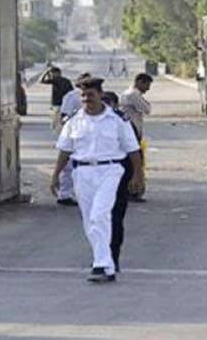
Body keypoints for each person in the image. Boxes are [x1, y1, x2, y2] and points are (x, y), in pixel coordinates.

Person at [51, 77, 144, 283]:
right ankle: (107, 265)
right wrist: (55, 175)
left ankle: (100, 264)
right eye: (83, 96)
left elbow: (133, 150)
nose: (87, 99)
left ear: (100, 95)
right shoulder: (74, 120)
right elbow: (65, 150)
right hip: (83, 173)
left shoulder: (118, 120)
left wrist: (138, 176)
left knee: (99, 215)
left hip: (110, 170)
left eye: (90, 95)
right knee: (89, 220)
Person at [102, 91, 140, 273]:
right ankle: (100, 256)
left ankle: (112, 256)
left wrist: (136, 177)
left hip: (118, 176)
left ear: (115, 105)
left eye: (107, 104)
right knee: (97, 220)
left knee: (115, 218)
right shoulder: (85, 120)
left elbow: (134, 151)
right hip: (93, 178)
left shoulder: (122, 122)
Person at [56, 72, 91, 206]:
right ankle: (65, 194)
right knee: (69, 166)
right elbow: (65, 116)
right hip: (75, 134)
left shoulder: (93, 95)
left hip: (88, 134)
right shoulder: (72, 96)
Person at [120, 73, 152, 203]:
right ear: (139, 82)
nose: (148, 89)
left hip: (132, 132)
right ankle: (132, 190)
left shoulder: (130, 93)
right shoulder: (133, 94)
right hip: (132, 133)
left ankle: (132, 190)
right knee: (134, 164)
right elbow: (147, 108)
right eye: (147, 85)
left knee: (132, 163)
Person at [39, 66, 73, 133]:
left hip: (57, 104)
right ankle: (62, 132)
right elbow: (71, 93)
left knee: (56, 122)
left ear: (56, 73)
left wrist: (46, 72)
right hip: (65, 104)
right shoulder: (66, 81)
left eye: (52, 73)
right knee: (61, 121)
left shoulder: (54, 80)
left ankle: (60, 133)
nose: (51, 75)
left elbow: (41, 80)